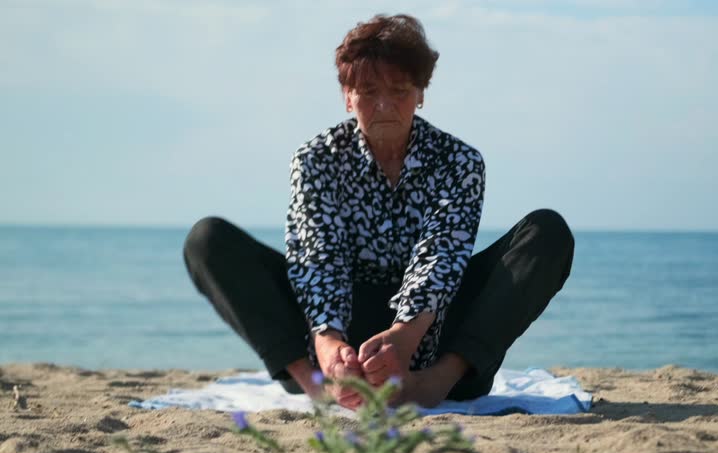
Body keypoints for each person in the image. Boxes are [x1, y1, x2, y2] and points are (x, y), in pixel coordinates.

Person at [183, 14, 574, 410]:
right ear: (347, 96)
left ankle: (438, 382)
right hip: (341, 329)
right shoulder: (316, 159)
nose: (384, 105)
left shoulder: (460, 161)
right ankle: (315, 383)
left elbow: (441, 255)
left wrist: (404, 337)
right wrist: (328, 343)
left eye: (400, 89)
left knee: (547, 232)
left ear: (421, 92)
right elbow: (318, 258)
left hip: (432, 332)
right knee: (208, 239)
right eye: (368, 91)